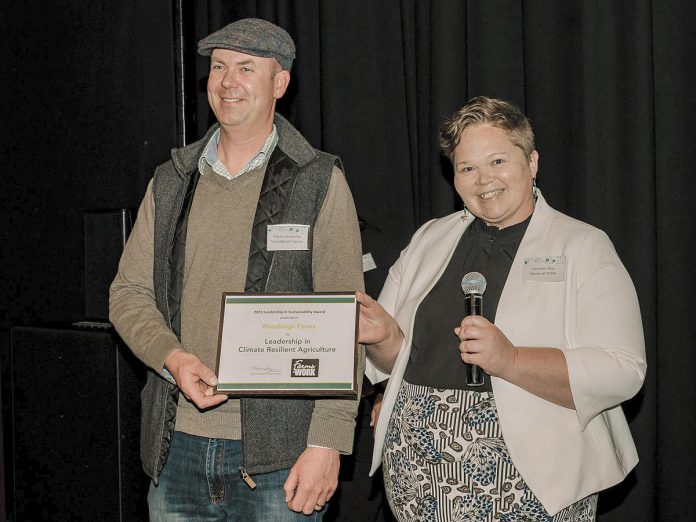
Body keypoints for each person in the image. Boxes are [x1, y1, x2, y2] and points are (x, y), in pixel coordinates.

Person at [109, 18, 364, 521]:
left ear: (280, 83)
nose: (227, 81)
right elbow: (127, 293)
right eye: (219, 66)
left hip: (282, 459)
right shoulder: (171, 179)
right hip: (175, 447)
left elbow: (346, 318)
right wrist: (172, 358)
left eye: (247, 67)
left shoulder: (318, 182)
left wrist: (328, 442)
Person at [357, 96, 646, 521]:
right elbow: (395, 362)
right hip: (418, 477)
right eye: (467, 168)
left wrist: (510, 360)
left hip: (530, 478)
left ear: (531, 162)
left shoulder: (583, 245)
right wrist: (383, 338)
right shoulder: (429, 240)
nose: (482, 180)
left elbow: (623, 370)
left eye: (497, 161)